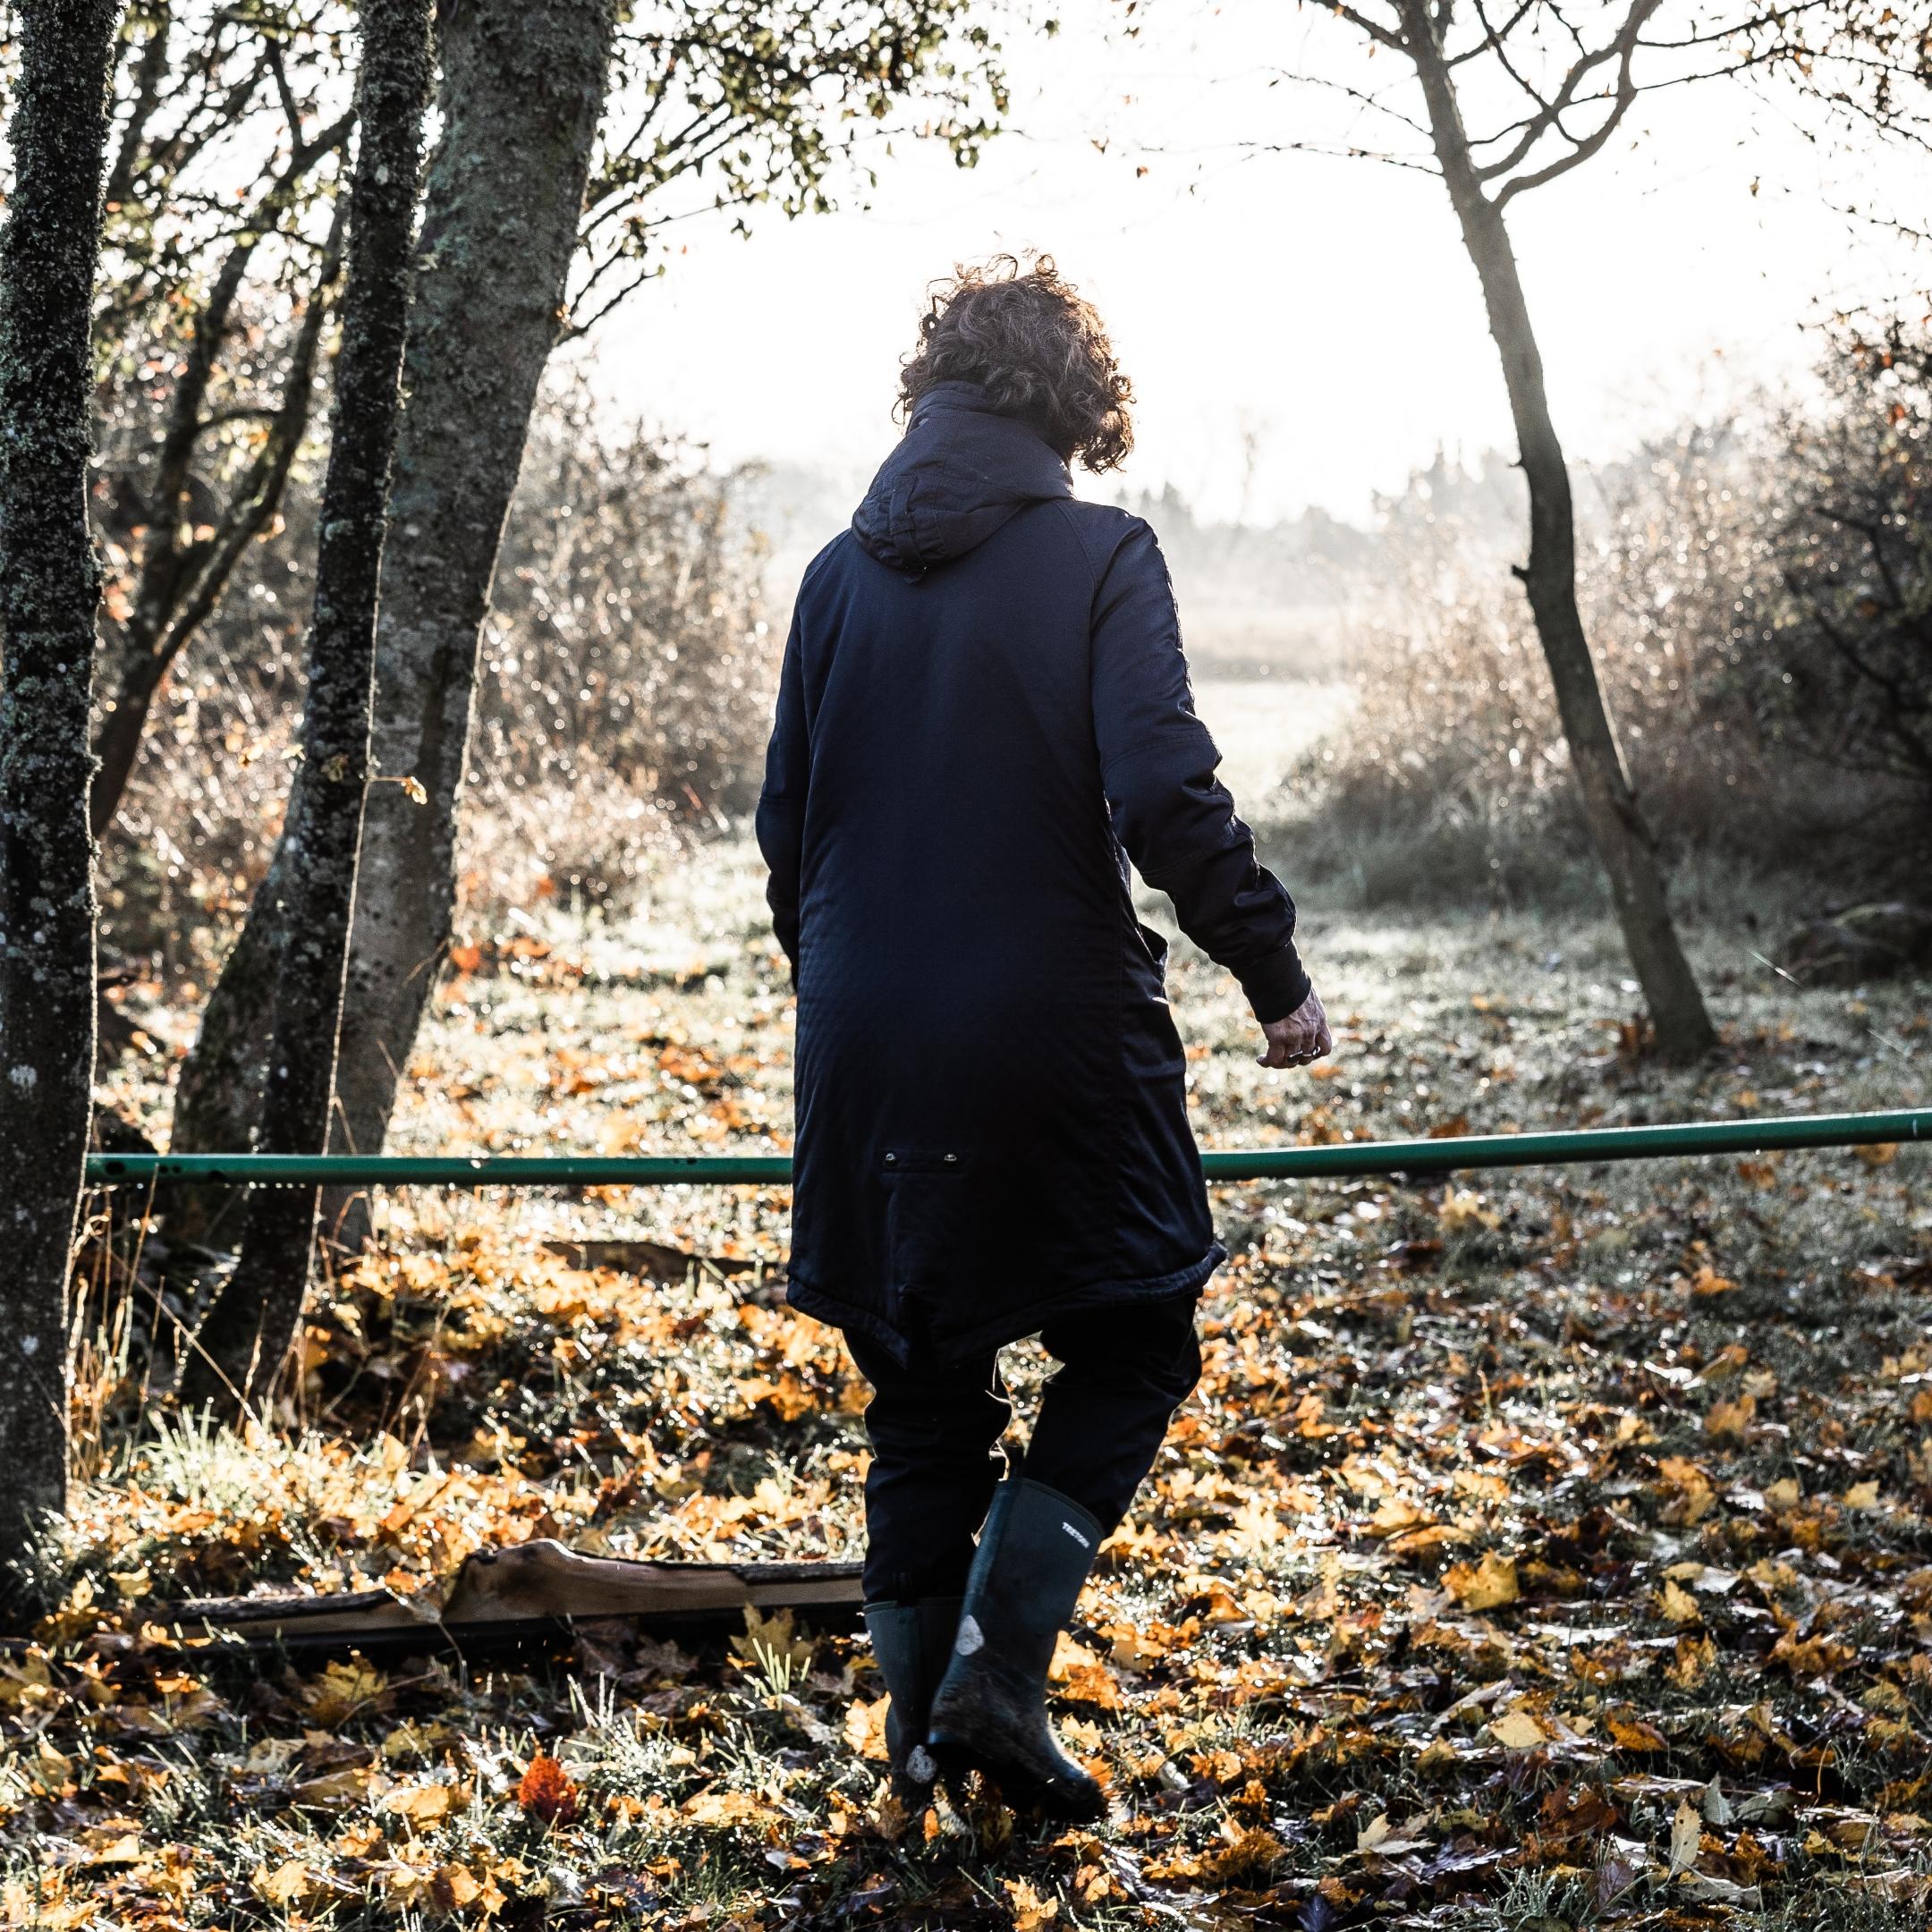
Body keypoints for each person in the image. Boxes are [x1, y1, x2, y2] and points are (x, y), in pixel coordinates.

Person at [756, 256, 1332, 1821]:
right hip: (1055, 1029)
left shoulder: (833, 576)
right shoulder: (1100, 556)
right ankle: (997, 1685)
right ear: (1075, 408)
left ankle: (914, 1759)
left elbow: (784, 830)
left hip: (863, 1038)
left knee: (923, 1380)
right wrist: (1272, 973)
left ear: (932, 390)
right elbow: (1162, 792)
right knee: (1137, 1333)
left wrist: (863, 997)